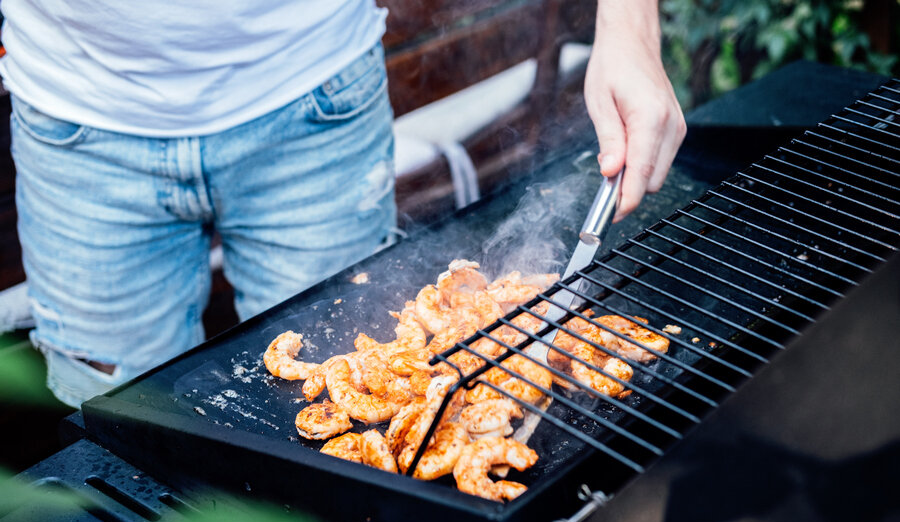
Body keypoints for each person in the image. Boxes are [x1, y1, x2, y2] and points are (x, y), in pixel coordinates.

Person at [0, 0, 684, 408]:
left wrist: (630, 32)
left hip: (315, 104)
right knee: (115, 429)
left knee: (350, 390)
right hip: (75, 120)